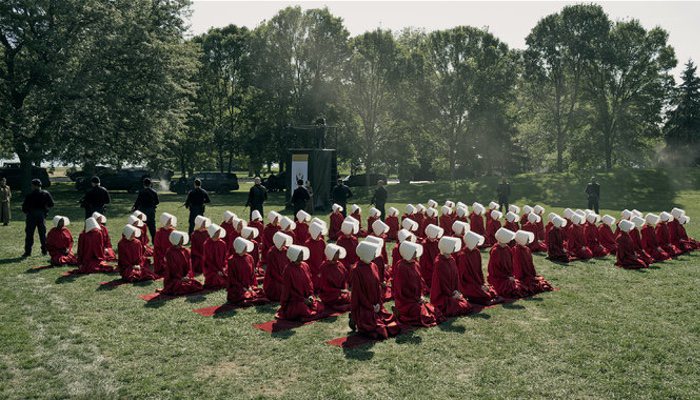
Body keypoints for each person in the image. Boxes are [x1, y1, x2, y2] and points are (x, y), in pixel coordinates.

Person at [349, 241, 400, 339]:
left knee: (393, 325)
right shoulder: (356, 270)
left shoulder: (373, 266)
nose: (374, 255)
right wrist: (370, 306)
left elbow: (377, 287)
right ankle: (355, 319)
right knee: (381, 330)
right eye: (371, 253)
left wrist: (378, 304)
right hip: (364, 307)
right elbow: (358, 293)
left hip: (376, 304)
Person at [393, 241, 444, 327]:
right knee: (423, 314)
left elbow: (419, 282)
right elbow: (401, 289)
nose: (416, 253)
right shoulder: (401, 267)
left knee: (433, 310)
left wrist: (420, 296)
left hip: (417, 299)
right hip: (406, 301)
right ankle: (400, 313)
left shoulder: (415, 264)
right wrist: (415, 299)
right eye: (413, 251)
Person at [275, 245, 321, 321]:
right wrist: (302, 300)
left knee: (318, 305)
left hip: (307, 297)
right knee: (302, 308)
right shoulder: (288, 270)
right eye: (300, 254)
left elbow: (309, 282)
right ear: (294, 256)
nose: (302, 256)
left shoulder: (305, 265)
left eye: (302, 254)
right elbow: (288, 290)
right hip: (295, 300)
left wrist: (310, 295)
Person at [430, 237, 473, 316]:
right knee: (460, 307)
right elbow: (442, 283)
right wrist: (451, 294)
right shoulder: (439, 263)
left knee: (466, 305)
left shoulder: (451, 259)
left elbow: (456, 277)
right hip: (443, 295)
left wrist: (457, 291)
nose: (454, 247)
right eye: (452, 246)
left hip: (453, 292)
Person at [456, 231, 500, 305]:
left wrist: (482, 283)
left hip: (478, 283)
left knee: (491, 291)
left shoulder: (477, 252)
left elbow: (479, 270)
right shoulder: (462, 255)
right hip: (468, 284)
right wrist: (478, 286)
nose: (477, 243)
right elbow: (464, 277)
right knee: (483, 293)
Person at [487, 228, 527, 298]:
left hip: (508, 276)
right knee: (509, 289)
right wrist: (507, 277)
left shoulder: (507, 248)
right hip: (498, 278)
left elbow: (511, 264)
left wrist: (511, 275)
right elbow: (494, 270)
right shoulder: (495, 251)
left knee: (520, 287)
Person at [511, 230, 553, 295]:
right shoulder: (516, 250)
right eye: (527, 239)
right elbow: (517, 265)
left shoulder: (527, 249)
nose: (528, 240)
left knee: (538, 282)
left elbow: (530, 263)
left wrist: (533, 274)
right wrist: (520, 277)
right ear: (522, 239)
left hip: (529, 273)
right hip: (522, 275)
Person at [227, 237, 266, 305]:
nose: (246, 249)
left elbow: (252, 275)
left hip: (249, 285)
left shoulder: (249, 257)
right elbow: (232, 278)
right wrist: (244, 288)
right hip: (238, 287)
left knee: (260, 292)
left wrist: (251, 286)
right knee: (242, 295)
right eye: (244, 247)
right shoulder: (232, 260)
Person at [22, 179, 54, 257]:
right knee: (42, 234)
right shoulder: (46, 193)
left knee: (29, 234)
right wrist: (45, 209)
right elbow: (51, 204)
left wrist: (28, 212)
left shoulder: (29, 195)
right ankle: (44, 250)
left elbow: (24, 208)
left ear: (34, 185)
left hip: (31, 215)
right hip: (41, 215)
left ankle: (28, 251)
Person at [318, 243, 351, 312]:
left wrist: (345, 289)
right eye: (337, 253)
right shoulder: (324, 267)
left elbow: (346, 278)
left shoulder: (340, 264)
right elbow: (324, 287)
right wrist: (339, 291)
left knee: (350, 296)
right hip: (329, 294)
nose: (339, 254)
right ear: (331, 255)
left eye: (338, 252)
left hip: (340, 292)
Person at [264, 232, 293, 302]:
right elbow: (272, 271)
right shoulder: (271, 252)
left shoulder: (285, 250)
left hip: (284, 276)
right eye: (283, 241)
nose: (285, 243)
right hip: (274, 279)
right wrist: (282, 280)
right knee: (280, 289)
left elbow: (288, 264)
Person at [202, 223, 228, 289]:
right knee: (216, 279)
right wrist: (216, 270)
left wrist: (223, 268)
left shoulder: (222, 243)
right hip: (211, 268)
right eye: (216, 232)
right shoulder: (207, 244)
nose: (218, 234)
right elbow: (208, 261)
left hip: (221, 267)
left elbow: (225, 257)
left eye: (219, 232)